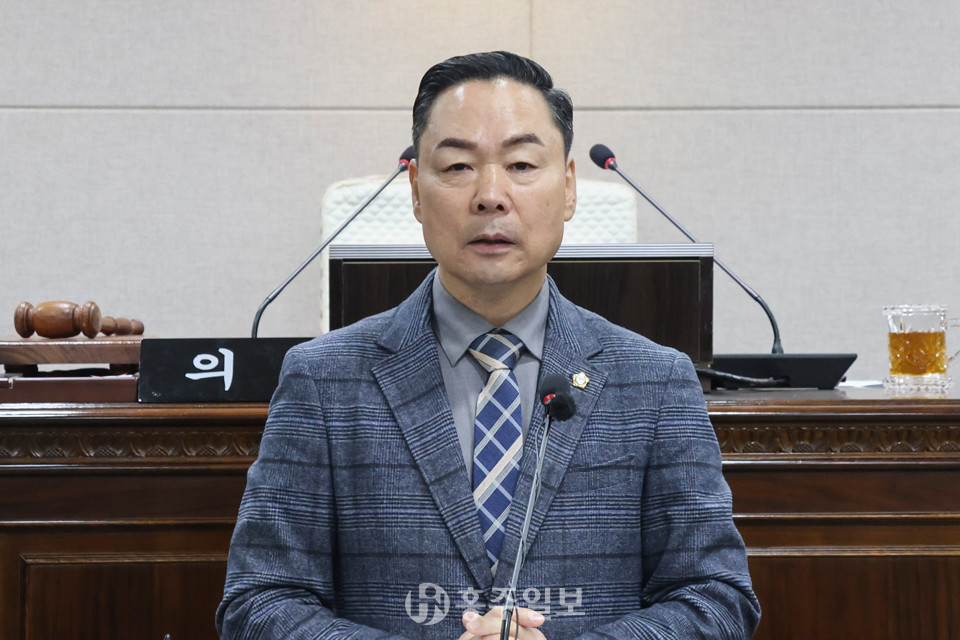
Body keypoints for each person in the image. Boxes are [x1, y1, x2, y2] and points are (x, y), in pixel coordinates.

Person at [217, 51, 760, 640]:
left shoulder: (655, 380)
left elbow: (716, 597)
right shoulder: (323, 380)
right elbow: (259, 602)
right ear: (416, 190)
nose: (491, 195)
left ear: (569, 188)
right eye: (457, 166)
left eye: (522, 164)